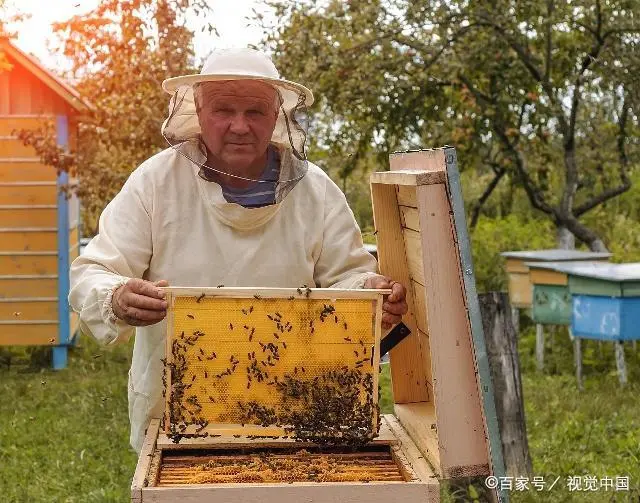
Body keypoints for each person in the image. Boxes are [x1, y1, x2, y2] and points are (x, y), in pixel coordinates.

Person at [69, 48, 408, 454]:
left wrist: (370, 292)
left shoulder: (315, 191)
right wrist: (117, 296)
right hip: (177, 409)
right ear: (197, 108)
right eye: (223, 109)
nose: (239, 126)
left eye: (256, 112)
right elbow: (93, 271)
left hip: (295, 410)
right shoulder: (156, 182)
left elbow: (346, 277)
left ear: (277, 115)